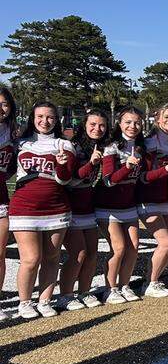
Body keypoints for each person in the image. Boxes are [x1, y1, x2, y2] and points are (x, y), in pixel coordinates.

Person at [9, 101, 75, 318]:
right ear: (32, 118)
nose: (44, 121)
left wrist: (63, 164)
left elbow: (64, 180)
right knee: (30, 258)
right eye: (40, 117)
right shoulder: (19, 143)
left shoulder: (64, 145)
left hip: (56, 208)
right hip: (24, 207)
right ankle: (25, 302)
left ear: (56, 120)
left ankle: (45, 300)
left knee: (52, 256)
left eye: (50, 117)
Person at [58, 109, 108, 311]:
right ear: (84, 125)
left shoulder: (100, 146)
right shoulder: (73, 146)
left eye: (102, 125)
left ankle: (84, 292)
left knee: (92, 254)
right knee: (78, 254)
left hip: (88, 207)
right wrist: (91, 163)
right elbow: (70, 177)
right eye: (93, 124)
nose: (97, 128)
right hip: (70, 206)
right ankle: (65, 295)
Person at [96, 107, 145, 304]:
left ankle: (124, 285)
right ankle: (110, 289)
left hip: (128, 205)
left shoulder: (141, 147)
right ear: (119, 123)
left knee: (134, 247)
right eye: (128, 122)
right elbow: (108, 180)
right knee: (119, 248)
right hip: (107, 206)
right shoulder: (111, 146)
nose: (133, 126)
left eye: (137, 122)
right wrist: (127, 167)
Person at [137, 103, 168, 298]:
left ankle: (153, 277)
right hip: (147, 198)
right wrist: (167, 168)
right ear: (157, 119)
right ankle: (150, 282)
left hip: (162, 198)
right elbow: (144, 177)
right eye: (166, 117)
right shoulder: (150, 142)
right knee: (165, 243)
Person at [0, 88, 18, 317]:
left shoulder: (13, 135)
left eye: (4, 104)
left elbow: (12, 168)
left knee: (0, 254)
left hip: (1, 198)